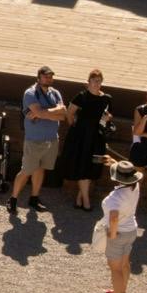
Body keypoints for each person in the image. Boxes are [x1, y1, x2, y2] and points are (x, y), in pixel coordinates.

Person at [9, 66, 66, 214]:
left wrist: (42, 114)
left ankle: (34, 198)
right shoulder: (30, 93)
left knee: (41, 169)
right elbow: (44, 112)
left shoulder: (56, 93)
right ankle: (13, 199)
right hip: (34, 140)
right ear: (39, 77)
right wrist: (51, 112)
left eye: (50, 76)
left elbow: (63, 115)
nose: (49, 79)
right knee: (26, 171)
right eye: (46, 76)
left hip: (52, 140)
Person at [56, 69, 113, 211]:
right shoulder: (82, 96)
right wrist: (75, 128)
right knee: (82, 167)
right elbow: (69, 114)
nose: (96, 84)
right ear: (88, 82)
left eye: (99, 81)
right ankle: (86, 201)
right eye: (94, 81)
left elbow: (108, 116)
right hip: (81, 138)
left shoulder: (107, 98)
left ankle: (79, 198)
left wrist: (108, 118)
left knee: (92, 168)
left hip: (97, 138)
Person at [99, 162, 142, 293]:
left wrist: (112, 235)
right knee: (125, 264)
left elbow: (114, 218)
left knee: (115, 269)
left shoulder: (114, 198)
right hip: (131, 230)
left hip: (118, 233)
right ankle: (121, 292)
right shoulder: (135, 187)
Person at [131, 84, 147, 221]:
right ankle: (132, 210)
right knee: (136, 180)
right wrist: (146, 118)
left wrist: (144, 133)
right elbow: (136, 132)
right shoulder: (140, 110)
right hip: (140, 148)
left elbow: (140, 133)